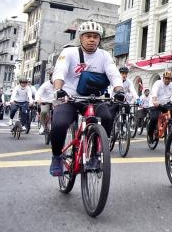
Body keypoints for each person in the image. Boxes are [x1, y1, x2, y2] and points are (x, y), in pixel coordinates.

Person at [48, 20, 124, 177]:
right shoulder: (69, 53)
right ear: (80, 38)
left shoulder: (104, 55)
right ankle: (56, 157)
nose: (92, 40)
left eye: (95, 37)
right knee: (60, 124)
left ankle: (97, 152)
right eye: (88, 36)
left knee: (107, 117)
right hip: (69, 97)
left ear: (99, 40)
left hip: (94, 98)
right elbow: (60, 71)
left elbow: (113, 73)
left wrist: (119, 90)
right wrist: (58, 89)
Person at [148, 70, 172, 140]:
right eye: (166, 78)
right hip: (155, 104)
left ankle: (170, 129)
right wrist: (155, 100)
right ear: (163, 78)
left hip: (164, 104)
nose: (167, 80)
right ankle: (150, 134)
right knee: (154, 118)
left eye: (169, 79)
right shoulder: (158, 83)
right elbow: (154, 92)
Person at [35, 70, 56, 134]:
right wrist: (38, 99)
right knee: (43, 111)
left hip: (56, 102)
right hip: (46, 102)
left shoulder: (61, 83)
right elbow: (38, 93)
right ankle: (43, 126)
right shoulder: (45, 84)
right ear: (50, 77)